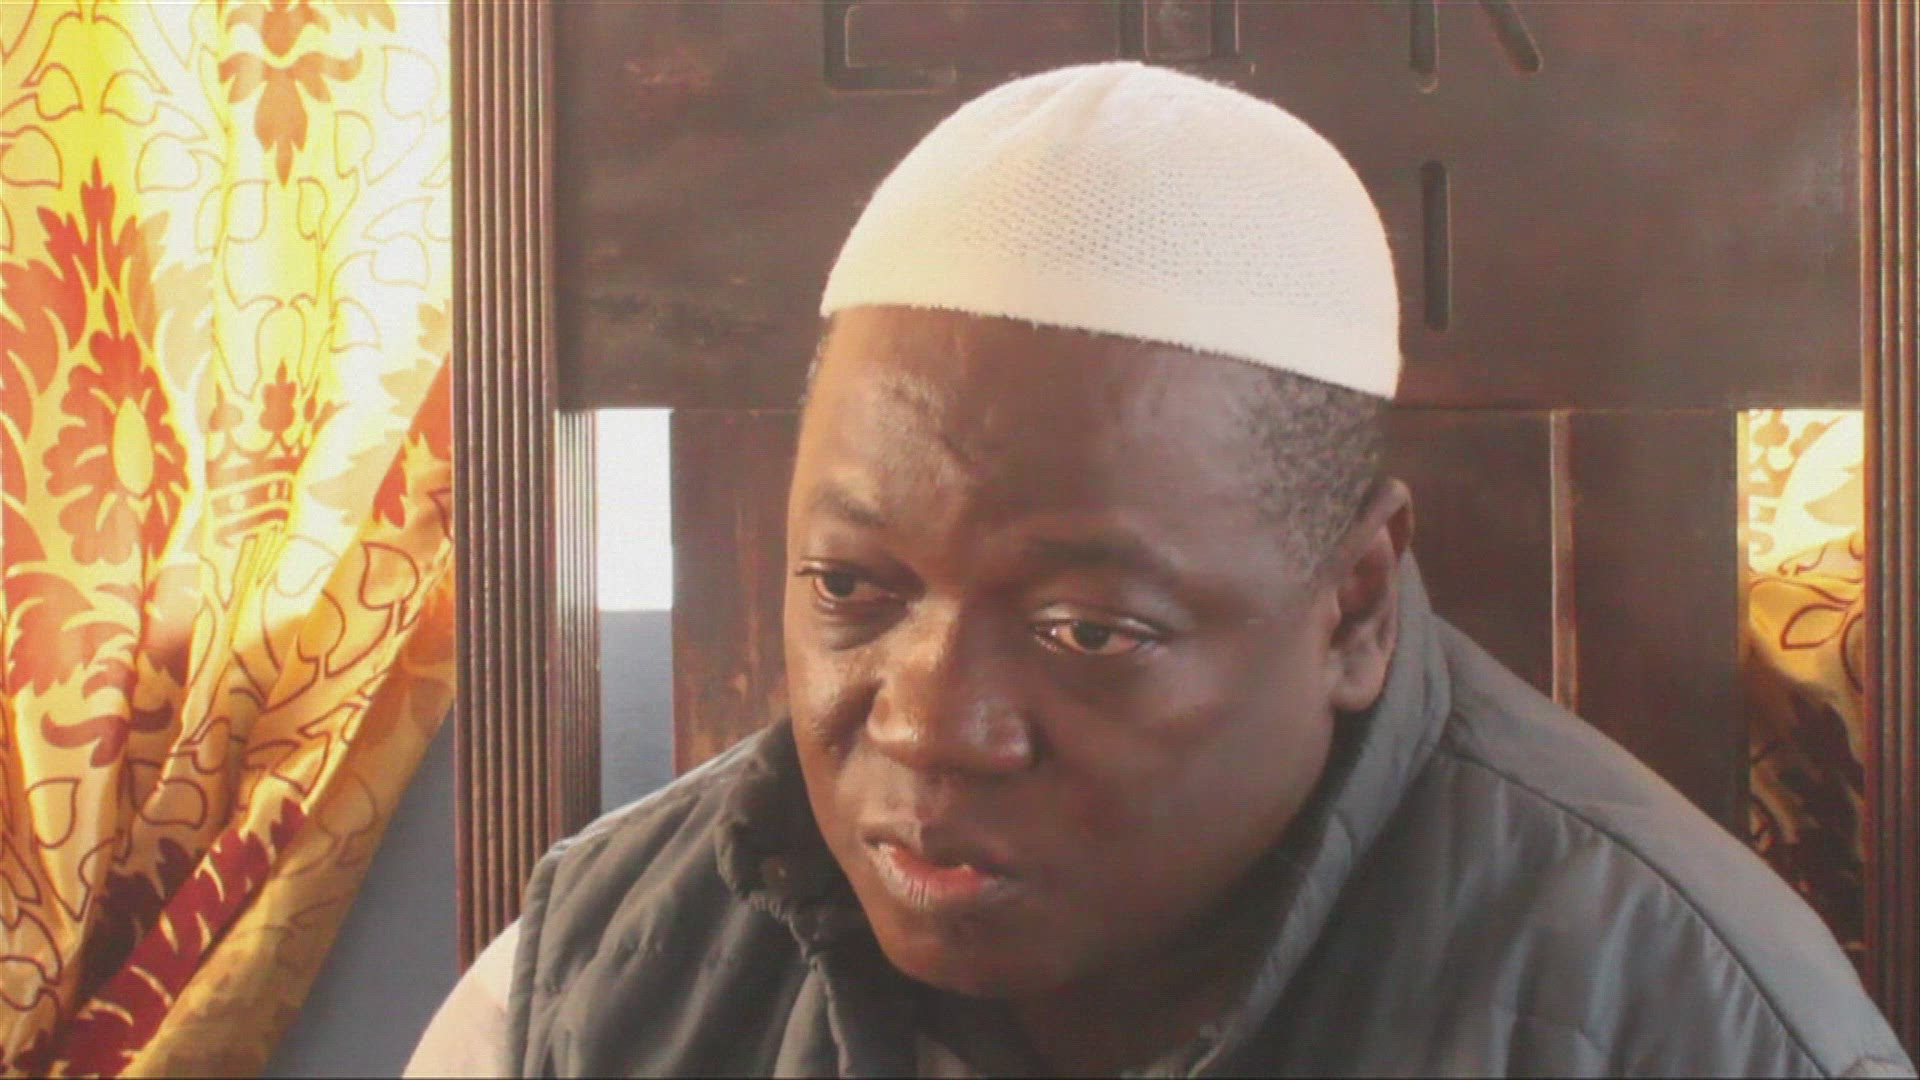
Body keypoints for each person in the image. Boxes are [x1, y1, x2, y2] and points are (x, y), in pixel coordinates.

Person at [407, 62, 1914, 1077]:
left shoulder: (1688, 1025)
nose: (930, 724)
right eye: (853, 589)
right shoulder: (594, 984)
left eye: (1086, 630)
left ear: (1354, 609)